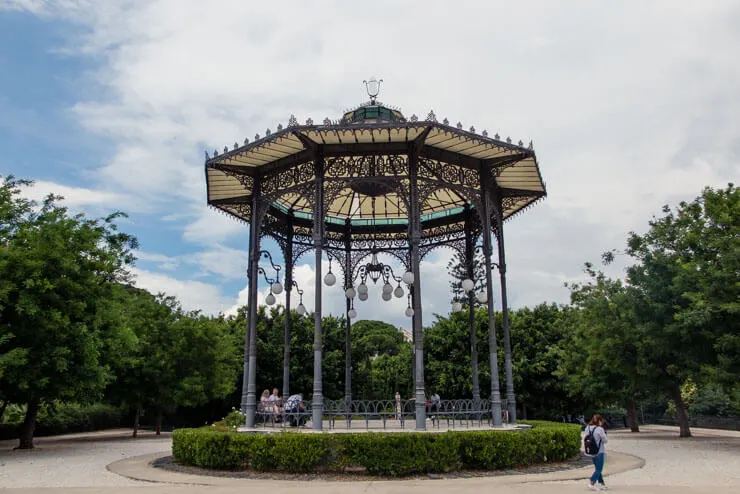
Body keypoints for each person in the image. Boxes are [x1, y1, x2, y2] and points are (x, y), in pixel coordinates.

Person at [586, 414, 609, 491]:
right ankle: (592, 482)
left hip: (591, 450)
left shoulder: (587, 428)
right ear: (599, 421)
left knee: (597, 468)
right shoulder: (600, 429)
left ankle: (602, 484)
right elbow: (605, 441)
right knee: (599, 469)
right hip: (599, 451)